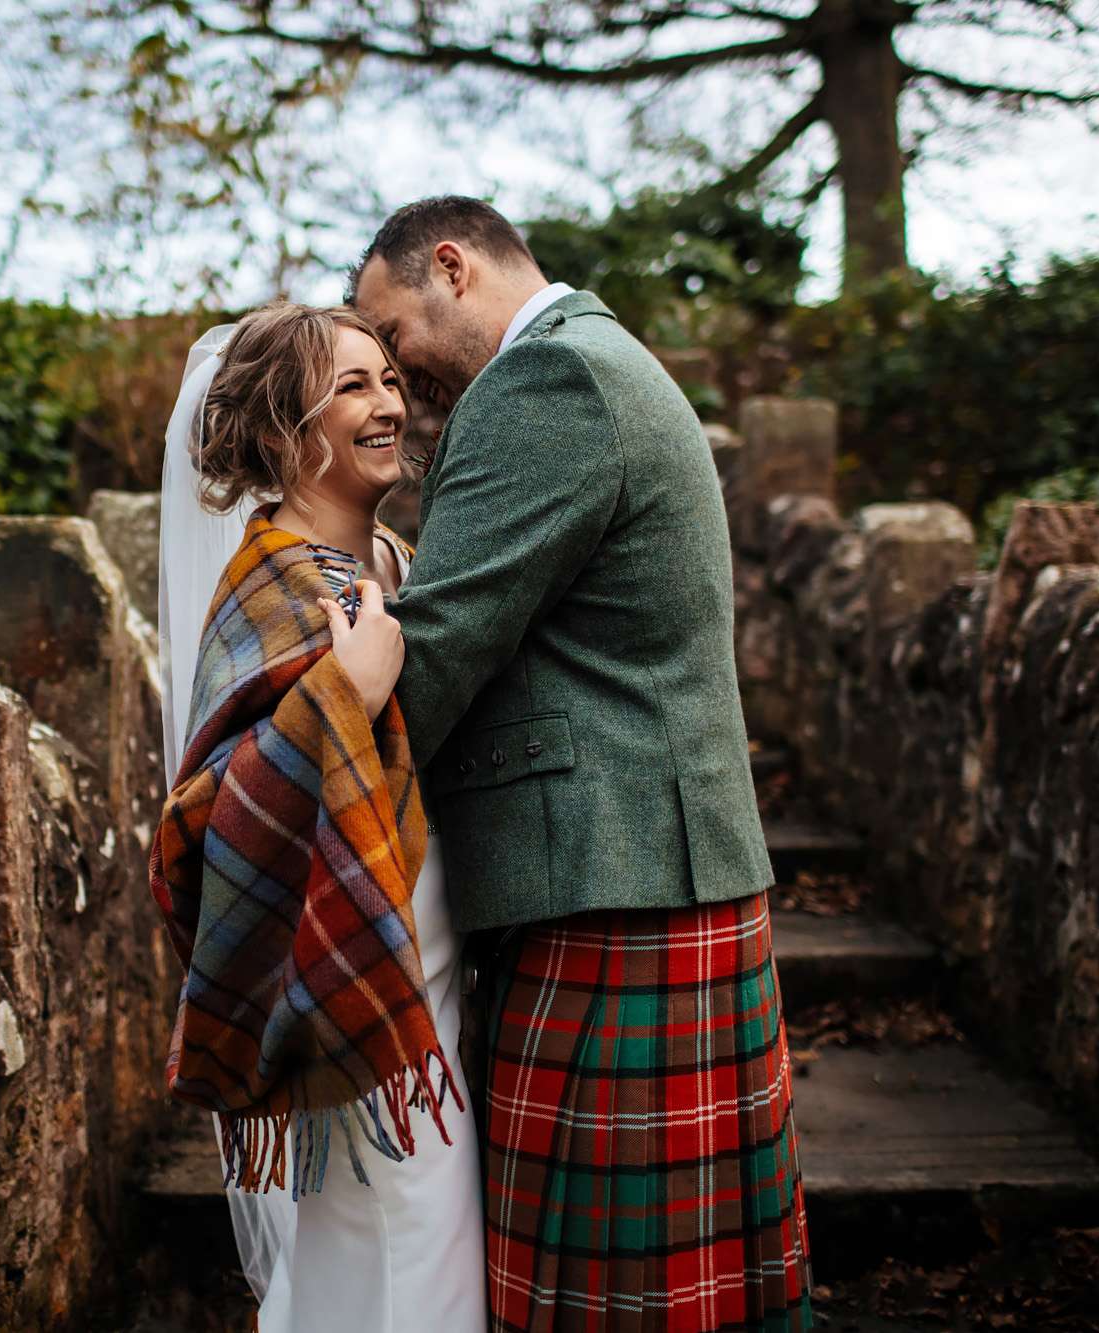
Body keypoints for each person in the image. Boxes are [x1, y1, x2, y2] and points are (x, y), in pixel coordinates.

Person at [349, 197, 816, 1332]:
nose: (398, 382)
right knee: (668, 1290)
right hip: (640, 861)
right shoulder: (600, 358)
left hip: (612, 877)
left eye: (393, 337)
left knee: (607, 1297)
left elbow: (440, 645)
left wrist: (293, 753)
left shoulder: (543, 384)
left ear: (449, 268)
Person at [149, 303, 487, 1333]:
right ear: (279, 431)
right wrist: (341, 692)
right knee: (396, 1266)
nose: (388, 403)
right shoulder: (270, 586)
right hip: (346, 986)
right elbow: (207, 818)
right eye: (351, 387)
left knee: (416, 1262)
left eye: (387, 377)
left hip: (426, 981)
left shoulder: (393, 558)